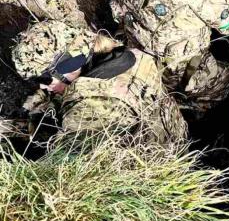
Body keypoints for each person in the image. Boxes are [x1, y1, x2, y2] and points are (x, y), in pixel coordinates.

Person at [11, 20, 187, 144]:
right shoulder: (134, 55)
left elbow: (58, 160)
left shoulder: (85, 108)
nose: (42, 86)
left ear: (74, 62)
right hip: (175, 136)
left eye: (44, 78)